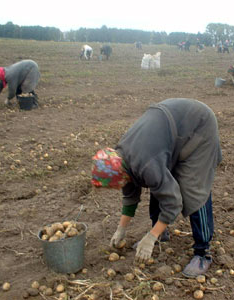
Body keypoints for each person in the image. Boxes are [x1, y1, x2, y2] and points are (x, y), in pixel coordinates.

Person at [91, 98, 222, 278]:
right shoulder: (121, 159)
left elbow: (172, 202)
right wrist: (121, 229)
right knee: (157, 182)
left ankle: (203, 253)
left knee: (194, 190)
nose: (116, 188)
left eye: (113, 185)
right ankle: (161, 233)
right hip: (174, 128)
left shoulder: (144, 163)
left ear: (118, 173)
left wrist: (150, 238)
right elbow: (131, 193)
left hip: (199, 126)